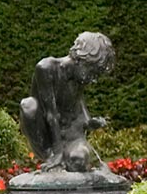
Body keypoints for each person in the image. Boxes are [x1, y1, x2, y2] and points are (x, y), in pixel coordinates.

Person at [18, 32, 117, 178]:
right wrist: (57, 153)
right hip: (46, 134)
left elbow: (79, 106)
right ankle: (51, 157)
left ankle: (65, 159)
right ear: (81, 60)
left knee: (79, 160)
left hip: (71, 135)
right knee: (28, 106)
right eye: (93, 72)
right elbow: (51, 114)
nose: (93, 79)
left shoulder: (79, 78)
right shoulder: (46, 68)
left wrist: (90, 122)